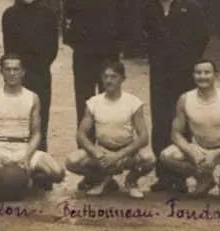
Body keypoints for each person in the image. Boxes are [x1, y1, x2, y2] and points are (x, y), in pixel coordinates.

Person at [142, 0, 209, 194]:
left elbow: (202, 37)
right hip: (160, 74)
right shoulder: (149, 9)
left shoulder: (190, 7)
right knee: (161, 122)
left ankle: (181, 176)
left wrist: (186, 61)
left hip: (183, 74)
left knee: (183, 123)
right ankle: (163, 175)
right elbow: (144, 38)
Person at [0, 54, 65, 191]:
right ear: (1, 71)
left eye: (16, 69)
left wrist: (27, 156)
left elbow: (36, 133)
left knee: (57, 173)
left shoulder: (32, 97)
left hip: (23, 147)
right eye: (8, 69)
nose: (12, 73)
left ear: (23, 72)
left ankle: (31, 176)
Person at [160, 59, 220, 200]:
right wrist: (192, 151)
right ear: (193, 75)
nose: (202, 76)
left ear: (215, 75)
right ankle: (204, 179)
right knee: (167, 156)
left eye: (207, 72)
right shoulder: (185, 99)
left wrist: (219, 153)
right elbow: (176, 134)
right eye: (198, 72)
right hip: (199, 149)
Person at [65, 60, 156, 197]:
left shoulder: (133, 102)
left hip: (126, 151)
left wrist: (120, 154)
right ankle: (102, 180)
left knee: (150, 159)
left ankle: (131, 181)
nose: (109, 80)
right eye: (105, 77)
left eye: (113, 77)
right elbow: (81, 135)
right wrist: (95, 151)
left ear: (122, 79)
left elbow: (143, 137)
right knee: (72, 161)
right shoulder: (93, 102)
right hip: (102, 150)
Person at [63, 0, 129, 131]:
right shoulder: (74, 0)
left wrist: (114, 44)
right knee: (84, 101)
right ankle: (86, 146)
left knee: (110, 101)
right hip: (84, 60)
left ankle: (110, 141)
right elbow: (67, 32)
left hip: (109, 59)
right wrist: (83, 43)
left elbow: (125, 27)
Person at [1, 0, 58, 155]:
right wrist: (16, 72)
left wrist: (38, 66)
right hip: (17, 74)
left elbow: (52, 48)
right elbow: (9, 47)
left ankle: (40, 164)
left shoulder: (48, 14)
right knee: (17, 117)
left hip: (40, 73)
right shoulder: (9, 15)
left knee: (40, 118)